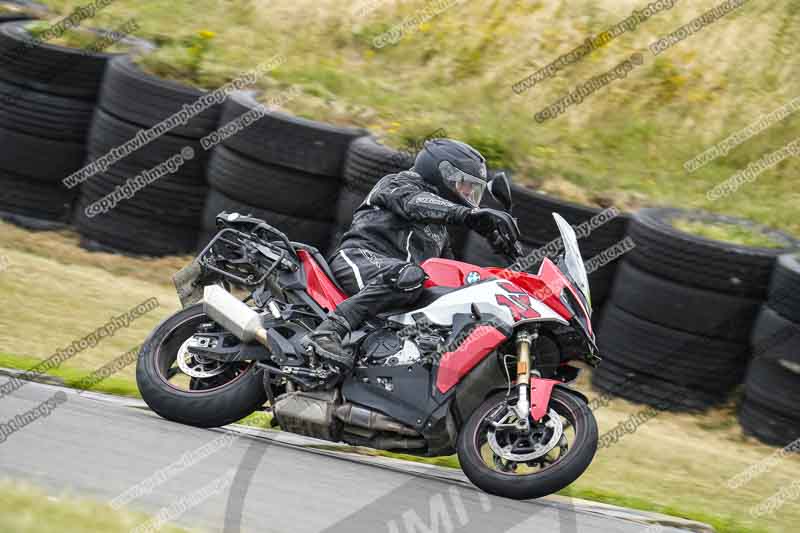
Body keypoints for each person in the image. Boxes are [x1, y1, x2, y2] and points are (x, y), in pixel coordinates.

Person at [307, 138, 519, 371]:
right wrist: (468, 215)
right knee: (409, 275)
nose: (468, 193)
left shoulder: (439, 233)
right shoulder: (398, 183)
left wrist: (500, 250)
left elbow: (448, 274)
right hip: (359, 258)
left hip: (398, 282)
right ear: (442, 172)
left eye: (473, 189)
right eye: (464, 184)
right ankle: (328, 332)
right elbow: (415, 203)